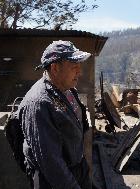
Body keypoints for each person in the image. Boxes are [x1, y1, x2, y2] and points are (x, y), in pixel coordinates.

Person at [16, 40, 92, 189]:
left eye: (79, 66)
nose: (79, 72)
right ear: (55, 68)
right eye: (74, 67)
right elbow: (51, 163)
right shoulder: (38, 103)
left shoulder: (67, 89)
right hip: (55, 182)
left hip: (76, 169)